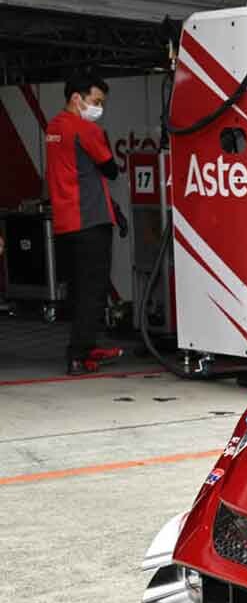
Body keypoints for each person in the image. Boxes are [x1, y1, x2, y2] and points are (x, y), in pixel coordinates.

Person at [46, 70, 125, 375]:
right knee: (92, 290)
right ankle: (79, 355)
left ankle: (86, 346)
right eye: (96, 101)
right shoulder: (85, 129)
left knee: (79, 289)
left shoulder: (53, 127)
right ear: (77, 98)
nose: (99, 107)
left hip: (65, 223)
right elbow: (111, 169)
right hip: (90, 221)